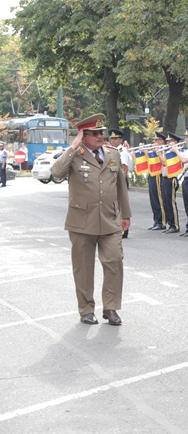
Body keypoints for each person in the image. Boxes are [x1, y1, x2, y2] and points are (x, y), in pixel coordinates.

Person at [50, 114, 131, 325]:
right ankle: (86, 309)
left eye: (101, 132)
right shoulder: (74, 155)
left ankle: (111, 308)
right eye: (93, 133)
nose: (99, 136)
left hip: (110, 219)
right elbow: (56, 173)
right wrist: (73, 147)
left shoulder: (112, 154)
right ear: (82, 136)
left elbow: (121, 186)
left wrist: (126, 214)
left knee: (114, 262)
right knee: (84, 268)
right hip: (82, 221)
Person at [107, 129, 133, 238]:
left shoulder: (121, 150)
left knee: (121, 204)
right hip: (116, 179)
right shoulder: (115, 150)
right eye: (112, 138)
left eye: (115, 138)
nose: (113, 140)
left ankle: (123, 230)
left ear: (121, 140)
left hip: (121, 179)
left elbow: (124, 167)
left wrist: (120, 181)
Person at [160, 132, 182, 234]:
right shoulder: (168, 151)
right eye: (168, 141)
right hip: (165, 178)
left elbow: (164, 162)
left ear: (175, 142)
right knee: (166, 202)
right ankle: (170, 224)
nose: (168, 143)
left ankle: (175, 225)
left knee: (171, 203)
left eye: (170, 141)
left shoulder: (175, 152)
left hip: (171, 179)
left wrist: (159, 152)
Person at [146, 131, 167, 230]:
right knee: (153, 199)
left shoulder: (163, 149)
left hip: (159, 174)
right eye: (154, 140)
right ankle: (156, 220)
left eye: (157, 140)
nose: (154, 142)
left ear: (162, 141)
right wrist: (145, 152)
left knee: (159, 199)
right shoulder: (154, 149)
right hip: (152, 173)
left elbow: (163, 162)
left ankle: (162, 221)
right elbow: (149, 161)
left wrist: (158, 151)